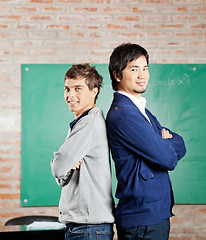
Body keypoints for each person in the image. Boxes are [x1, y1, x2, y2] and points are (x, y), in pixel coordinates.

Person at [106, 43, 186, 240]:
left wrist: (163, 143)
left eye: (145, 68)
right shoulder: (125, 114)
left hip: (152, 214)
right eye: (134, 69)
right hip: (142, 218)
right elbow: (168, 159)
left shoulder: (141, 110)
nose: (142, 75)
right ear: (117, 75)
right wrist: (164, 142)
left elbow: (181, 145)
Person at [50, 63, 114, 240]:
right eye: (67, 89)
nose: (70, 95)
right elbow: (62, 175)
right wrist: (66, 167)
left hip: (88, 228)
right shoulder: (83, 121)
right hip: (85, 227)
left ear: (94, 91)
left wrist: (62, 165)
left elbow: (58, 167)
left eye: (78, 88)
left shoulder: (89, 123)